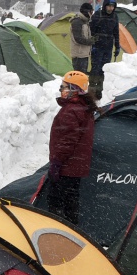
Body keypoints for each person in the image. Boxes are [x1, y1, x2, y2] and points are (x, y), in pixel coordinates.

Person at [41, 71, 96, 224]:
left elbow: (67, 141)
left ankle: (59, 232)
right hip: (75, 168)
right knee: (71, 202)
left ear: (74, 89)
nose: (61, 90)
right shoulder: (83, 107)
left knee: (56, 203)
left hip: (66, 167)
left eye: (63, 87)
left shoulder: (71, 110)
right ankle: (71, 229)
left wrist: (57, 162)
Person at [88, 0, 120, 99]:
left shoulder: (115, 17)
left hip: (108, 47)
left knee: (104, 69)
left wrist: (117, 46)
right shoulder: (97, 15)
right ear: (105, 6)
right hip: (97, 47)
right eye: (109, 6)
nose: (111, 9)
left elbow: (116, 33)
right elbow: (90, 31)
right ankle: (91, 91)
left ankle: (100, 91)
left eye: (112, 7)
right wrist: (92, 44)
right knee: (95, 68)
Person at [69, 2, 94, 75]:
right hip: (78, 55)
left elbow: (85, 36)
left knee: (82, 76)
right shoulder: (77, 22)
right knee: (78, 76)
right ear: (86, 12)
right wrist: (90, 41)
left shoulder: (85, 22)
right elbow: (78, 39)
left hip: (84, 54)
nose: (91, 14)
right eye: (91, 12)